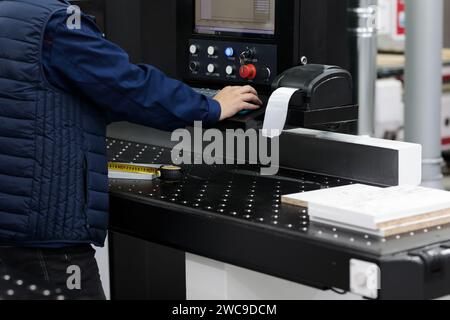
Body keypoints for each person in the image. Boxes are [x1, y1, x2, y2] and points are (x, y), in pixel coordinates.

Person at [0, 0, 262, 300]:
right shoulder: (56, 24)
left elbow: (49, 95)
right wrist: (211, 107)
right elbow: (129, 86)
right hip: (44, 237)